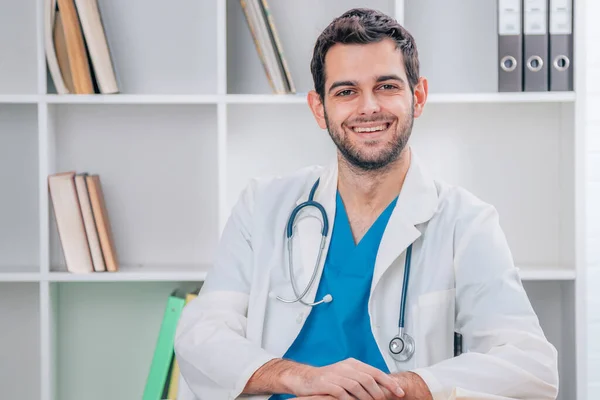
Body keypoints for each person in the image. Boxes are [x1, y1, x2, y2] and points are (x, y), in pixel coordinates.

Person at [174, 7, 559, 400]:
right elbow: (201, 334)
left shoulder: (466, 221)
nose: (368, 107)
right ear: (318, 108)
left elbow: (531, 366)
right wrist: (299, 378)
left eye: (387, 86)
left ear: (419, 96)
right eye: (346, 91)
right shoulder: (263, 206)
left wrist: (403, 388)